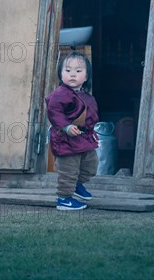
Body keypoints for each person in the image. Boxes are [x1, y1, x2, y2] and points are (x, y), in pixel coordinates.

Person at [45, 51, 99, 210]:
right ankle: (64, 198)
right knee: (68, 170)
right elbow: (54, 112)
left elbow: (91, 114)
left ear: (87, 76)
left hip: (84, 138)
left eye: (78, 71)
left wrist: (92, 130)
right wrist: (66, 127)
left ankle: (77, 185)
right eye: (67, 71)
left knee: (91, 165)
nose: (72, 75)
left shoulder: (85, 95)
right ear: (61, 74)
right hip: (66, 140)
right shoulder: (60, 94)